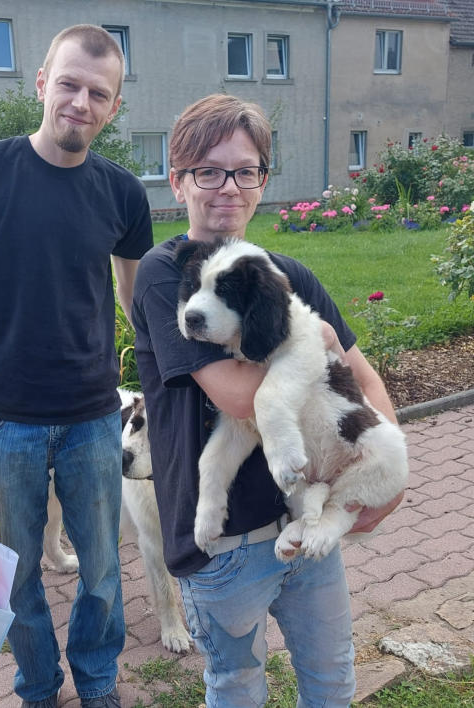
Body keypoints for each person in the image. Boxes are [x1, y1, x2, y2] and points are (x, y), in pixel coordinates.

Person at [131, 94, 404, 708]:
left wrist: (387, 472)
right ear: (178, 181)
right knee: (237, 686)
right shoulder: (168, 274)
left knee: (332, 678)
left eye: (245, 171)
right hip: (224, 543)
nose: (228, 187)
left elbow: (365, 377)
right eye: (208, 171)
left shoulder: (286, 276)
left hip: (307, 522)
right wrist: (314, 350)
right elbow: (238, 397)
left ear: (262, 181)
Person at [0, 24, 153, 708]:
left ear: (114, 107)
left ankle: (98, 684)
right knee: (16, 578)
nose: (81, 102)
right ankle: (38, 688)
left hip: (93, 417)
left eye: (98, 93)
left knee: (103, 572)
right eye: (69, 85)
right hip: (5, 423)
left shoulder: (122, 192)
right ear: (42, 85)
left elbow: (135, 301)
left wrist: (170, 378)